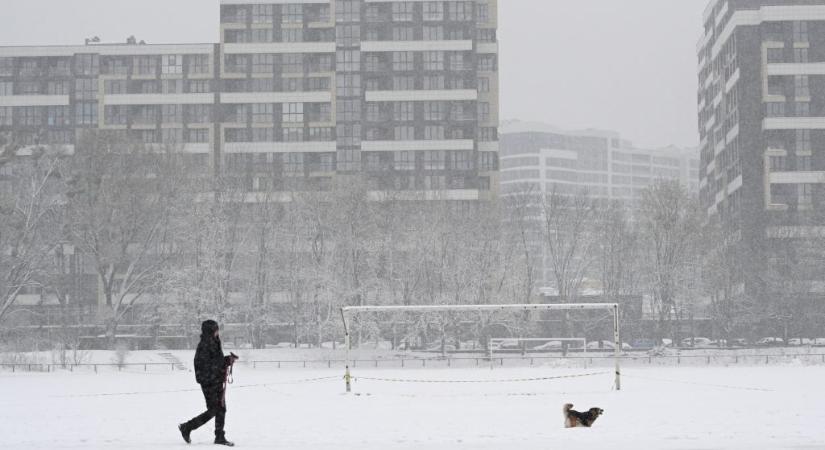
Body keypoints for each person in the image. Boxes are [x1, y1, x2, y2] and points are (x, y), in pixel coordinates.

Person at [178, 320, 239, 446]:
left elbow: (217, 362)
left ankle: (219, 437)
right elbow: (203, 366)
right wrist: (218, 371)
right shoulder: (205, 345)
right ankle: (187, 427)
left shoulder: (214, 343)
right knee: (214, 409)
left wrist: (227, 360)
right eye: (216, 329)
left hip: (216, 381)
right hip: (209, 383)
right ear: (211, 331)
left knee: (221, 409)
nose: (218, 331)